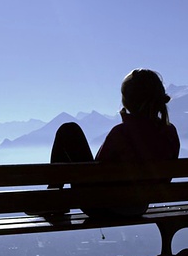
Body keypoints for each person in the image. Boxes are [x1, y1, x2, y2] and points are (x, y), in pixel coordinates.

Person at [44, 68, 180, 218]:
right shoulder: (170, 132)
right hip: (139, 207)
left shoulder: (121, 133)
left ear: (127, 100)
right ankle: (52, 200)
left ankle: (51, 200)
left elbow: (97, 171)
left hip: (102, 206)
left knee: (69, 130)